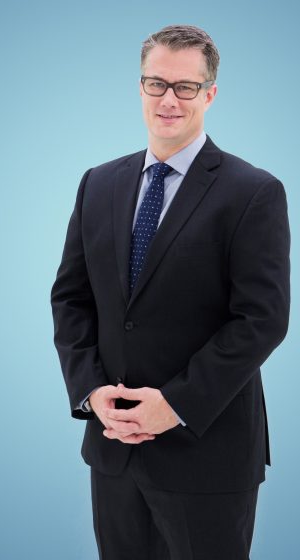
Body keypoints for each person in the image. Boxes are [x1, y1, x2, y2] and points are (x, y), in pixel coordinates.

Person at [50, 24, 290, 560]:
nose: (168, 99)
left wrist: (176, 404)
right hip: (114, 451)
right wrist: (92, 392)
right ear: (140, 87)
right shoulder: (98, 183)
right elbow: (71, 298)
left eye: (185, 87)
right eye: (156, 83)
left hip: (207, 455)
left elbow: (262, 319)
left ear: (210, 94)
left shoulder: (253, 192)